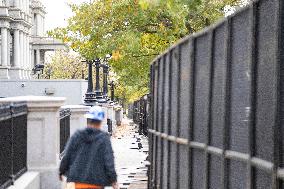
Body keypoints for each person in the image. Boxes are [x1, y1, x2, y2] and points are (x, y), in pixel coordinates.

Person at [59, 106, 118, 189]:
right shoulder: (104, 138)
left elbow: (67, 155)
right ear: (101, 121)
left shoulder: (77, 135)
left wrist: (61, 171)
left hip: (78, 181)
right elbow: (109, 160)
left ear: (89, 119)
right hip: (97, 182)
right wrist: (113, 180)